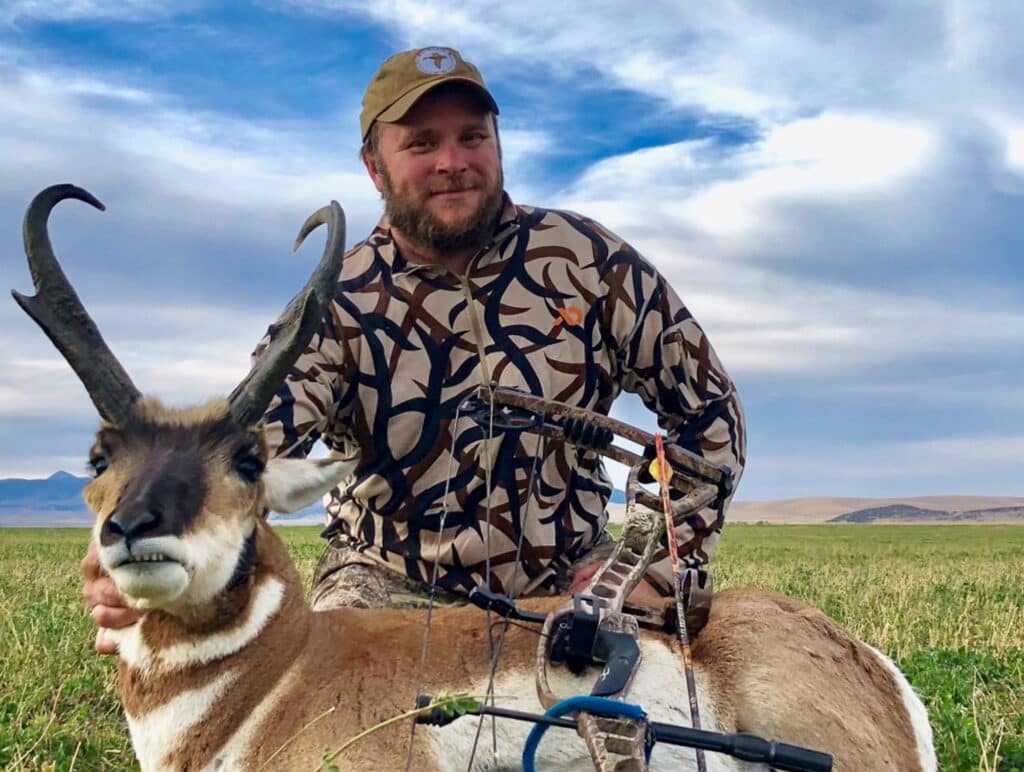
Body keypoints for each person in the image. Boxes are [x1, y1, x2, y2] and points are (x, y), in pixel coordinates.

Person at [83, 45, 745, 648]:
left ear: (498, 145)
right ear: (374, 167)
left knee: (657, 711)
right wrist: (148, 539)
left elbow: (706, 411)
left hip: (574, 575)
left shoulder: (589, 262)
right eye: (422, 143)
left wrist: (655, 557)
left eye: (471, 137)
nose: (452, 163)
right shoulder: (335, 299)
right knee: (329, 726)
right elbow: (253, 444)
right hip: (387, 579)